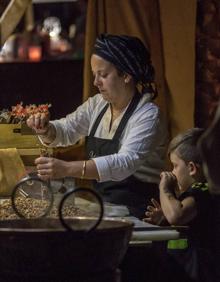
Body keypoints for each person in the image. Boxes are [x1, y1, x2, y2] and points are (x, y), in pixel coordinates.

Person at [27, 34, 168, 218]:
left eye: (103, 75)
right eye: (95, 75)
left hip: (140, 213)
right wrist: (47, 129)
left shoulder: (147, 115)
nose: (96, 82)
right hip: (105, 208)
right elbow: (67, 129)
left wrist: (68, 168)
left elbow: (125, 162)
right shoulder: (97, 105)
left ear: (126, 75)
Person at [144, 128, 214, 282]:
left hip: (201, 272)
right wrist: (164, 218)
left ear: (191, 168)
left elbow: (177, 215)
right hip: (182, 270)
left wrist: (164, 188)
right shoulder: (190, 193)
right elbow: (181, 220)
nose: (172, 172)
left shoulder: (205, 189)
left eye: (175, 166)